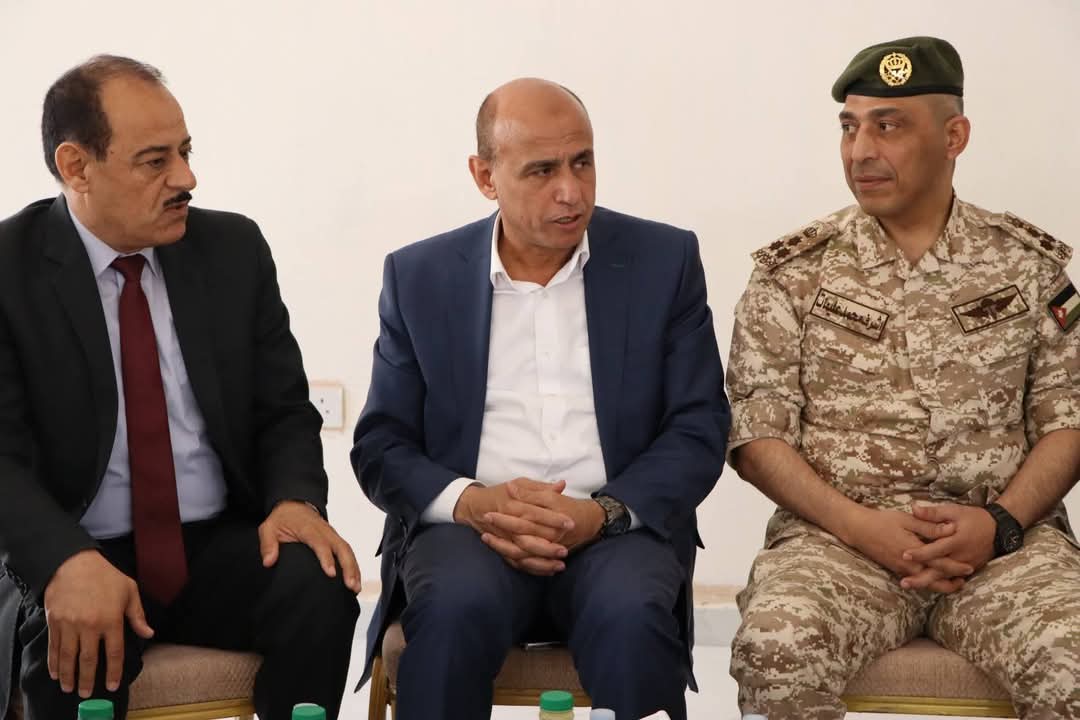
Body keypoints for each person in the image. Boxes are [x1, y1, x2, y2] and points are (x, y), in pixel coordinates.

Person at [352, 77, 729, 720]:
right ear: (485, 176)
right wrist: (473, 503)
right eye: (542, 170)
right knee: (451, 611)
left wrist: (601, 514)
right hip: (472, 532)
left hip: (616, 528)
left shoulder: (664, 260)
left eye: (583, 162)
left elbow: (699, 427)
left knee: (632, 615)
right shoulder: (420, 276)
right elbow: (381, 445)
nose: (571, 191)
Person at [726, 36, 1080, 718]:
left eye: (888, 126)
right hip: (836, 544)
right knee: (776, 647)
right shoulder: (793, 274)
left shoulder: (1029, 267)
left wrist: (998, 523)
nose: (860, 151)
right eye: (849, 127)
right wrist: (862, 528)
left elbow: (1069, 417)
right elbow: (755, 434)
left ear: (954, 136)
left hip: (1006, 547)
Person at [0, 55, 361, 720]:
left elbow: (283, 410)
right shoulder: (9, 269)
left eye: (186, 152)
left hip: (214, 543)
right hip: (77, 543)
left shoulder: (233, 249)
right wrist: (62, 560)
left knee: (318, 585)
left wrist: (295, 500)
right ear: (76, 167)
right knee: (69, 631)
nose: (186, 179)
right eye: (155, 161)